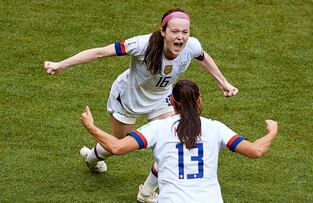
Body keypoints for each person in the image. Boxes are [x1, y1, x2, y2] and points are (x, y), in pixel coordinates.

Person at [44, 8, 238, 202]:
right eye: (175, 32)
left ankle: (146, 191)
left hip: (162, 100)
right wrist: (61, 64)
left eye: (185, 32)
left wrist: (223, 82)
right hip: (128, 100)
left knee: (173, 142)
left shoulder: (192, 46)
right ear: (163, 31)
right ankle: (92, 157)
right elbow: (100, 53)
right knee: (118, 144)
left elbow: (203, 57)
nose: (180, 37)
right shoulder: (141, 45)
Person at [80, 79, 278, 203]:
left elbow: (116, 147)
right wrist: (272, 132)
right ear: (199, 101)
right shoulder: (216, 128)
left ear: (171, 102)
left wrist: (90, 126)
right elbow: (256, 151)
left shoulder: (158, 128)